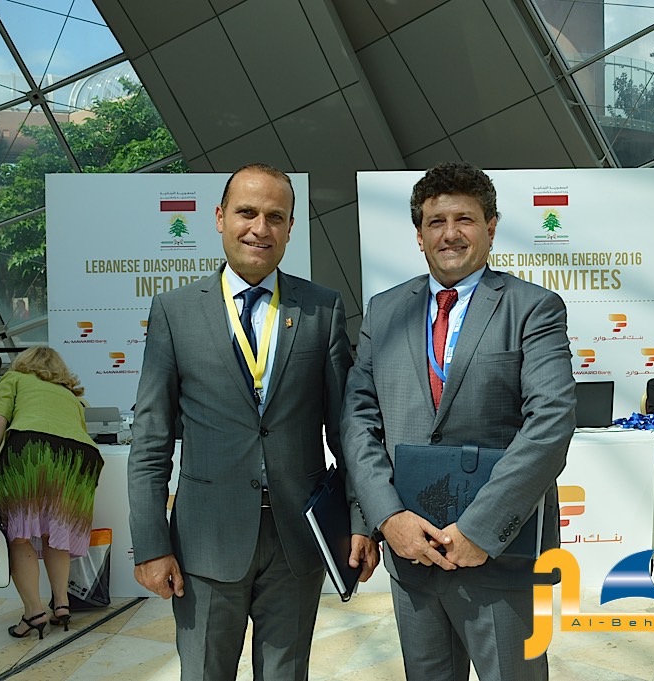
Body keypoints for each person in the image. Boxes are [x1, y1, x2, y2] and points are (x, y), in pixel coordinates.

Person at [127, 163, 379, 681]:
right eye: (246, 213)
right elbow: (151, 438)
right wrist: (151, 544)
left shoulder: (322, 309)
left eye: (274, 217)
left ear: (290, 228)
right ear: (220, 218)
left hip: (298, 540)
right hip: (205, 542)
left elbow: (347, 431)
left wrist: (360, 521)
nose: (259, 228)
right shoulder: (175, 312)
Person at [341, 161, 576, 681]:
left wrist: (480, 530)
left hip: (498, 557)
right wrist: (387, 518)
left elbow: (551, 424)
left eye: (464, 219)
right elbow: (358, 421)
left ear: (491, 226)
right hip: (411, 555)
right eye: (436, 222)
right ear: (419, 235)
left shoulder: (532, 308)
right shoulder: (384, 311)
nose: (450, 234)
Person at [0, 346, 103, 640]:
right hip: (80, 460)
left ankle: (34, 612)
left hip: (31, 450)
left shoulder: (14, 378)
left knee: (19, 536)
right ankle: (61, 604)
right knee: (56, 532)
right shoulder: (71, 395)